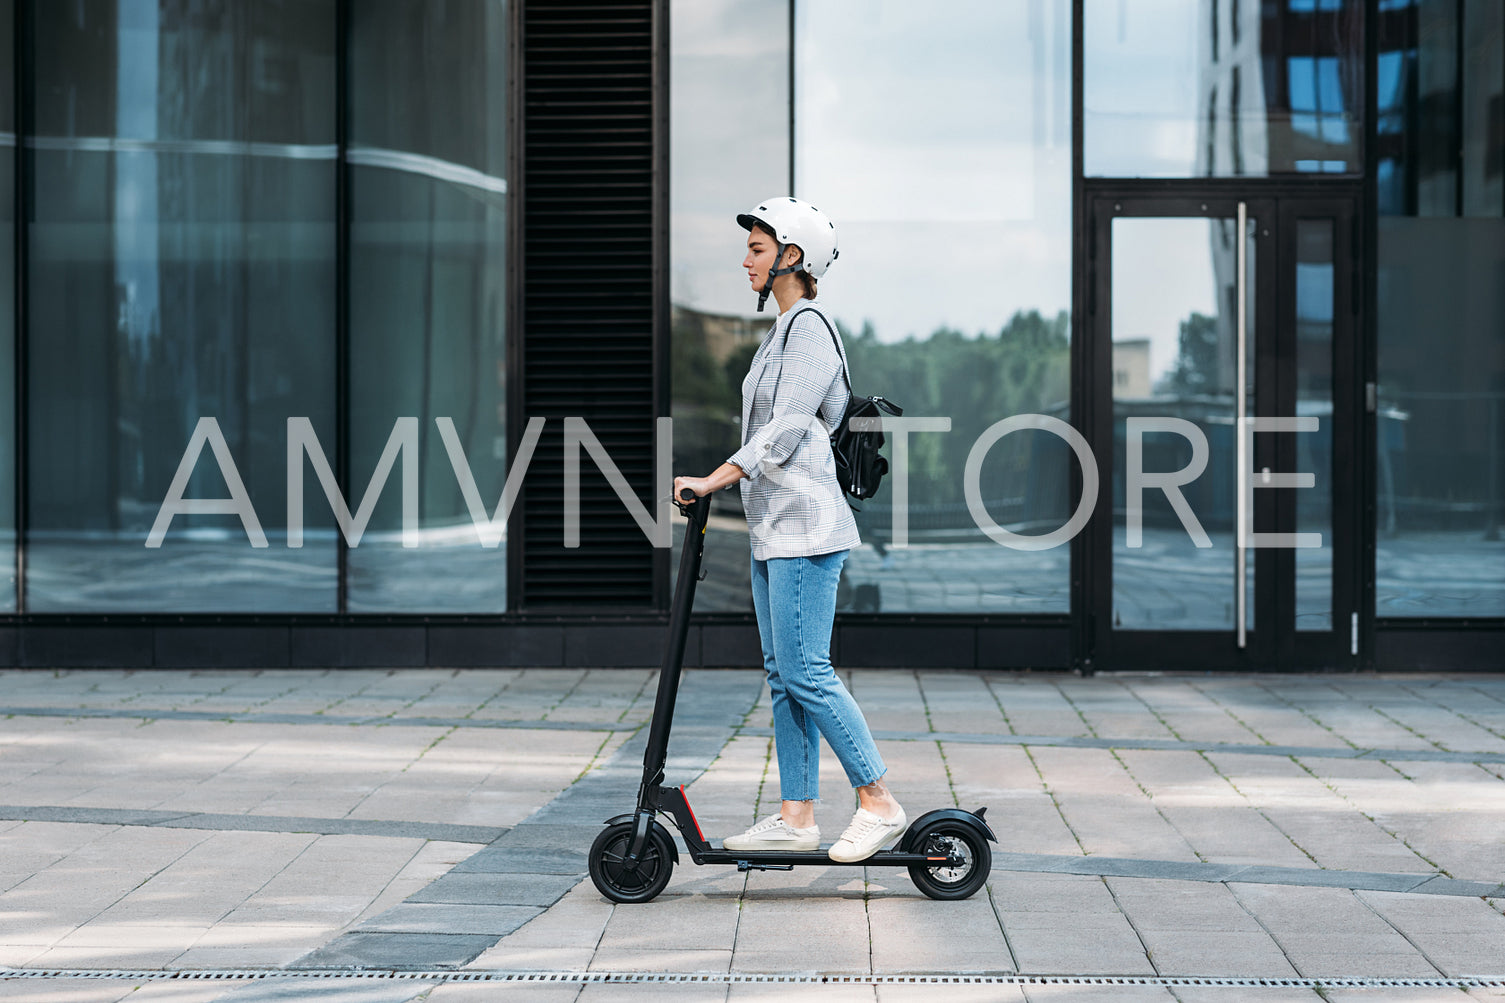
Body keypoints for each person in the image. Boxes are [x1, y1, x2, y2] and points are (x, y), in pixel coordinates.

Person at [673, 197, 904, 863]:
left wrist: (714, 478)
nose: (744, 259)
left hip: (806, 530)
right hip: (772, 529)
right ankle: (796, 814)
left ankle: (878, 799)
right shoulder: (780, 331)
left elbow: (783, 428)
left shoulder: (809, 329)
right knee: (782, 675)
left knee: (807, 670)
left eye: (756, 248)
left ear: (791, 256)